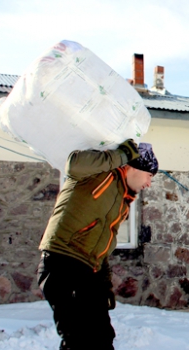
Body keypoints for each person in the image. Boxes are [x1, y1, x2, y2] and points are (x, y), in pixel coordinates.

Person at [36, 139, 158, 350]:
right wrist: (122, 155)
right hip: (62, 261)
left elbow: (103, 243)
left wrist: (103, 280)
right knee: (77, 338)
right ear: (134, 167)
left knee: (102, 338)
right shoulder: (97, 173)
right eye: (149, 176)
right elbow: (74, 163)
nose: (149, 183)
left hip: (88, 271)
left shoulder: (122, 199)